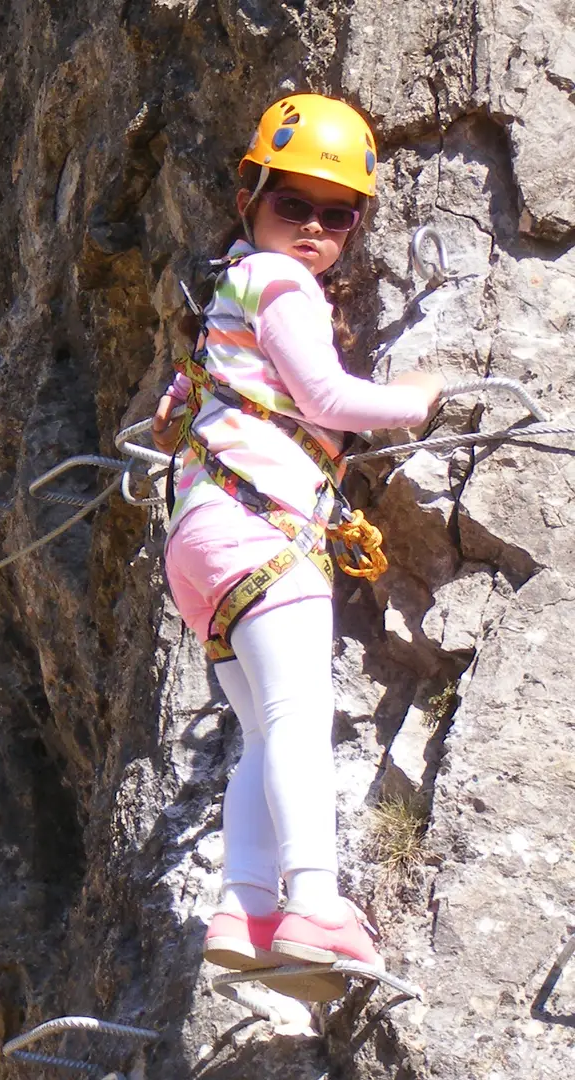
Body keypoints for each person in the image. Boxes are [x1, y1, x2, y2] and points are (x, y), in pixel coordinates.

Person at [148, 94, 444, 1000]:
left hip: (202, 546)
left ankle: (245, 908)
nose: (313, 228)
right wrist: (421, 397)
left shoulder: (225, 290)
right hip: (262, 534)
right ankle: (314, 902)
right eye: (294, 206)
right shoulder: (282, 288)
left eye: (336, 214)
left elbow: (174, 417)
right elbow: (325, 397)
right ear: (253, 198)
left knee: (257, 728)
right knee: (296, 720)